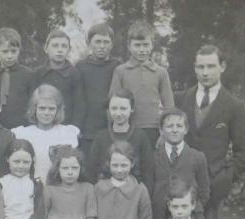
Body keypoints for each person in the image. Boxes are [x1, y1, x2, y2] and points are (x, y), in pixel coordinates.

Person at [175, 44, 245, 219]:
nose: (205, 72)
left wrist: (222, 181)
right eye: (201, 67)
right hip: (178, 190)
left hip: (211, 192)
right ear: (194, 68)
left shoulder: (235, 107)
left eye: (211, 66)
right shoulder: (180, 99)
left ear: (222, 67)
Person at [109, 20, 174, 145]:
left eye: (145, 45)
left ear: (152, 45)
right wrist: (114, 130)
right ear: (129, 46)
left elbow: (169, 106)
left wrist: (165, 133)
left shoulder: (161, 72)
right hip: (127, 128)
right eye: (137, 45)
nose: (142, 50)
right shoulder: (120, 71)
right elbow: (112, 102)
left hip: (153, 129)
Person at [150, 108, 210, 219]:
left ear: (186, 129)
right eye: (169, 126)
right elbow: (149, 188)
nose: (174, 130)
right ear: (161, 130)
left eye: (179, 126)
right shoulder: (152, 157)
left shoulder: (197, 157)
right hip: (159, 218)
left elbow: (204, 191)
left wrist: (191, 208)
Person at [12, 84, 79, 183]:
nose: (46, 113)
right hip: (30, 186)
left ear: (58, 110)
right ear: (34, 109)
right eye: (42, 108)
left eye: (51, 109)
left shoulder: (67, 133)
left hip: (58, 187)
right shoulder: (23, 134)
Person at [88, 89, 154, 190]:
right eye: (114, 108)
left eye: (123, 108)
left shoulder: (140, 136)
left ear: (131, 109)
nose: (118, 113)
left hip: (133, 194)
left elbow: (148, 172)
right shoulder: (100, 137)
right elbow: (92, 171)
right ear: (108, 110)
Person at [76, 23, 121, 157]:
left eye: (106, 42)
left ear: (112, 44)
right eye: (98, 42)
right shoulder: (81, 66)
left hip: (110, 128)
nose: (102, 46)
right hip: (87, 129)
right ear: (89, 43)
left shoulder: (117, 67)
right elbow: (78, 98)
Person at [0, 27, 35, 129]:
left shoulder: (28, 75)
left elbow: (33, 104)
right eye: (5, 51)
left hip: (22, 127)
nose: (9, 56)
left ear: (19, 50)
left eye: (13, 51)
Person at [36, 30, 85, 128]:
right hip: (42, 127)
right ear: (46, 48)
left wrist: (74, 129)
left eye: (64, 46)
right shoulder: (38, 74)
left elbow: (79, 106)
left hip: (66, 127)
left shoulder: (74, 74)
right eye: (55, 46)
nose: (60, 50)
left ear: (69, 49)